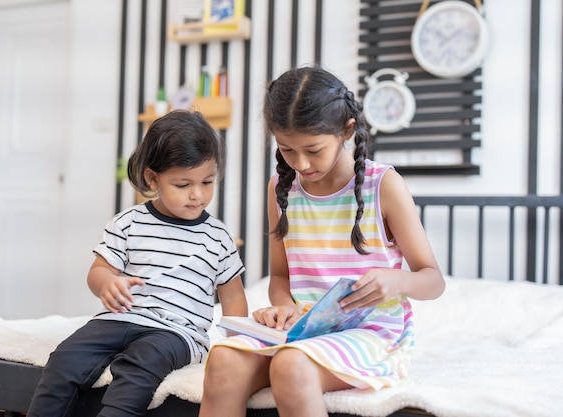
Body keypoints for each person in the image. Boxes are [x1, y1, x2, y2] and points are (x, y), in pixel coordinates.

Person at [198, 66, 445, 417]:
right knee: (222, 358)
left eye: (313, 150)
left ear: (346, 129)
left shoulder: (383, 186)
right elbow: (280, 277)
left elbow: (432, 279)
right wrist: (282, 306)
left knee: (290, 365)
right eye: (287, 150)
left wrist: (397, 280)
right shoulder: (280, 189)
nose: (300, 163)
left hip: (373, 333)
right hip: (303, 330)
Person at [27, 110, 248, 417]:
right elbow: (99, 271)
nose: (197, 194)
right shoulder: (128, 222)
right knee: (65, 358)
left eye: (207, 182)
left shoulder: (218, 237)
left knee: (141, 364)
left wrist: (238, 346)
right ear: (152, 178)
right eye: (183, 185)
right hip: (117, 319)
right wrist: (107, 283)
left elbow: (234, 296)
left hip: (176, 334)